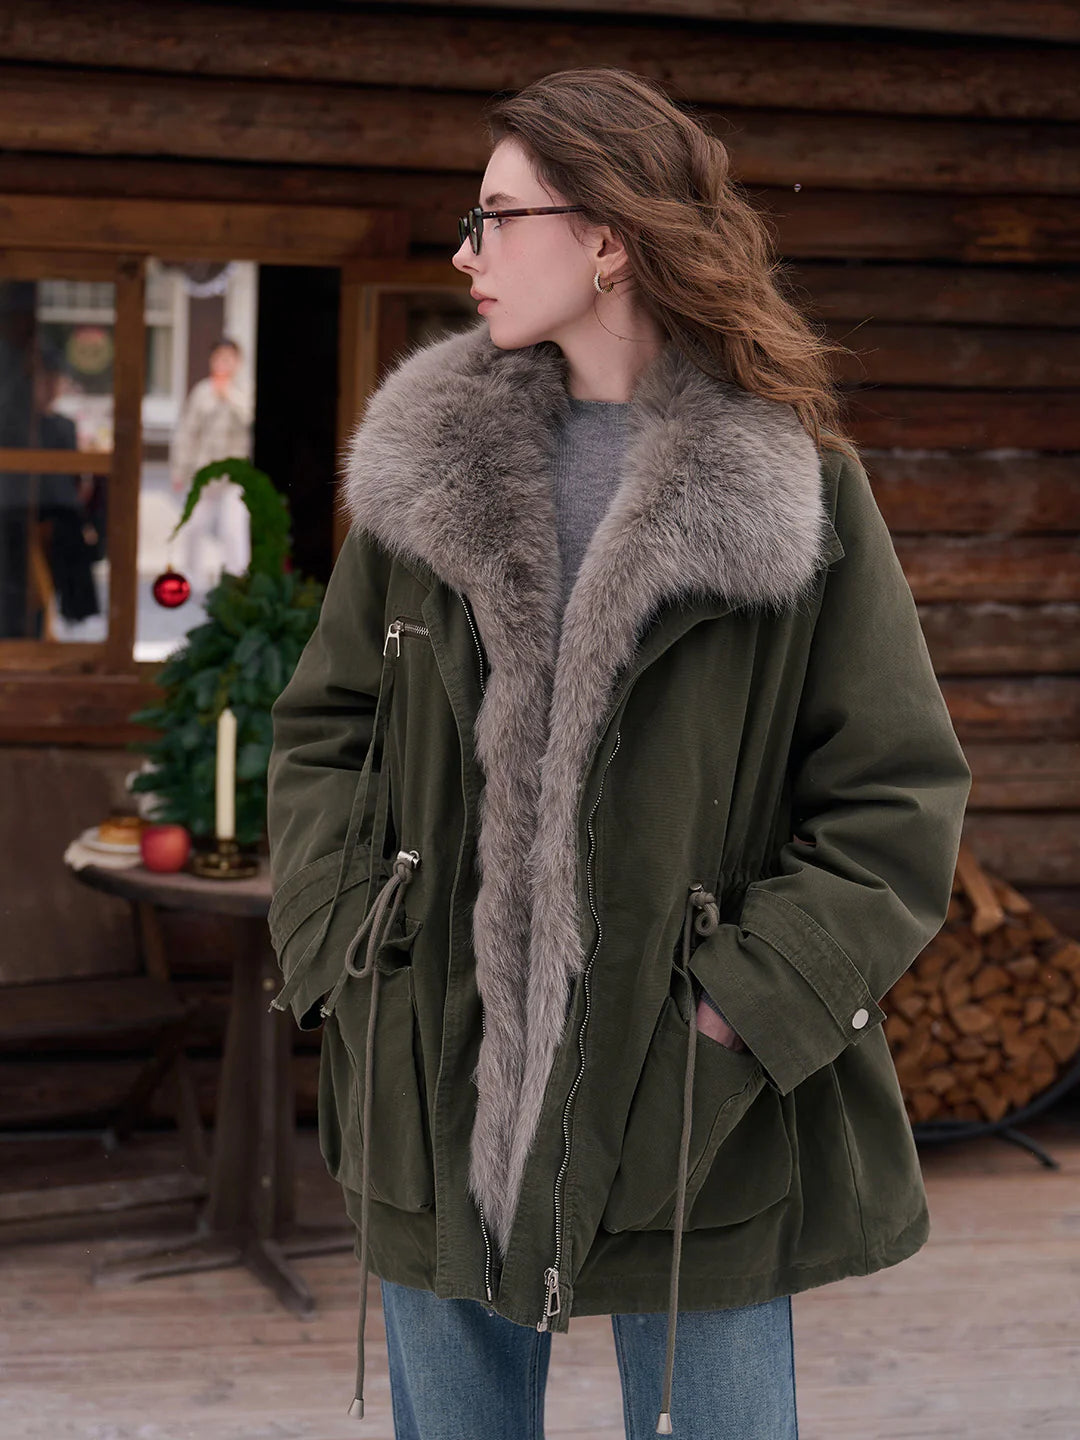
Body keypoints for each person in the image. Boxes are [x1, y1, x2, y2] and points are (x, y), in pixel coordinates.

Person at [266, 68, 971, 1440]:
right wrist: (358, 950)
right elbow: (323, 734)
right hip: (438, 1063)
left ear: (606, 236)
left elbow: (895, 796)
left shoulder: (795, 488)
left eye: (494, 216)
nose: (465, 252)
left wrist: (741, 1009)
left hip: (696, 1094)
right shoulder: (425, 473)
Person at [168, 336, 252, 589]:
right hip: (204, 473)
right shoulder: (202, 392)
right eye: (219, 358)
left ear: (238, 362)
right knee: (194, 527)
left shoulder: (245, 391)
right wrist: (180, 470)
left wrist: (229, 396)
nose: (223, 363)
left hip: (234, 477)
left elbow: (249, 420)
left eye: (229, 358)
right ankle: (193, 578)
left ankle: (237, 580)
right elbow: (187, 433)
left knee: (233, 530)